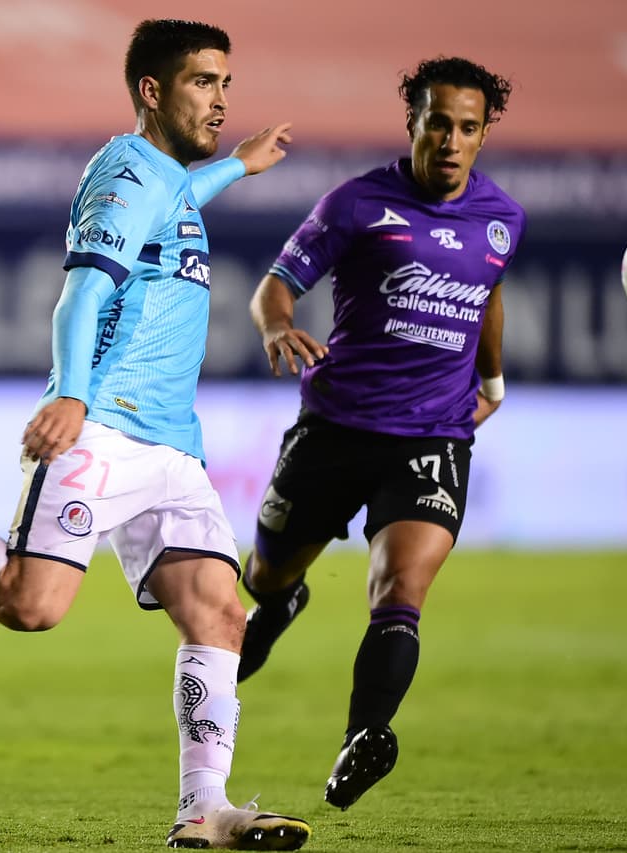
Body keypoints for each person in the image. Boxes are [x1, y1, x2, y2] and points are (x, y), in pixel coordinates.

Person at [0, 19, 310, 852]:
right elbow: (82, 293)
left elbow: (178, 200)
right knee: (28, 606)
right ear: (151, 92)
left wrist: (239, 165)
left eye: (226, 83)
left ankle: (204, 809)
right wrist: (75, 396)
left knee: (221, 613)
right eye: (203, 82)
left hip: (171, 446)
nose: (221, 100)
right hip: (107, 424)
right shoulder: (125, 171)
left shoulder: (166, 178)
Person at [236, 56, 525, 811]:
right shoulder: (357, 203)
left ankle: (362, 737)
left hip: (434, 433)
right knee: (264, 576)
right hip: (335, 427)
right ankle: (278, 600)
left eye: (468, 127)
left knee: (400, 589)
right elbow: (275, 285)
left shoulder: (503, 218)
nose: (452, 140)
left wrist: (490, 382)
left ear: (484, 132)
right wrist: (278, 326)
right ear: (414, 123)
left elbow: (487, 291)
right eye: (439, 123)